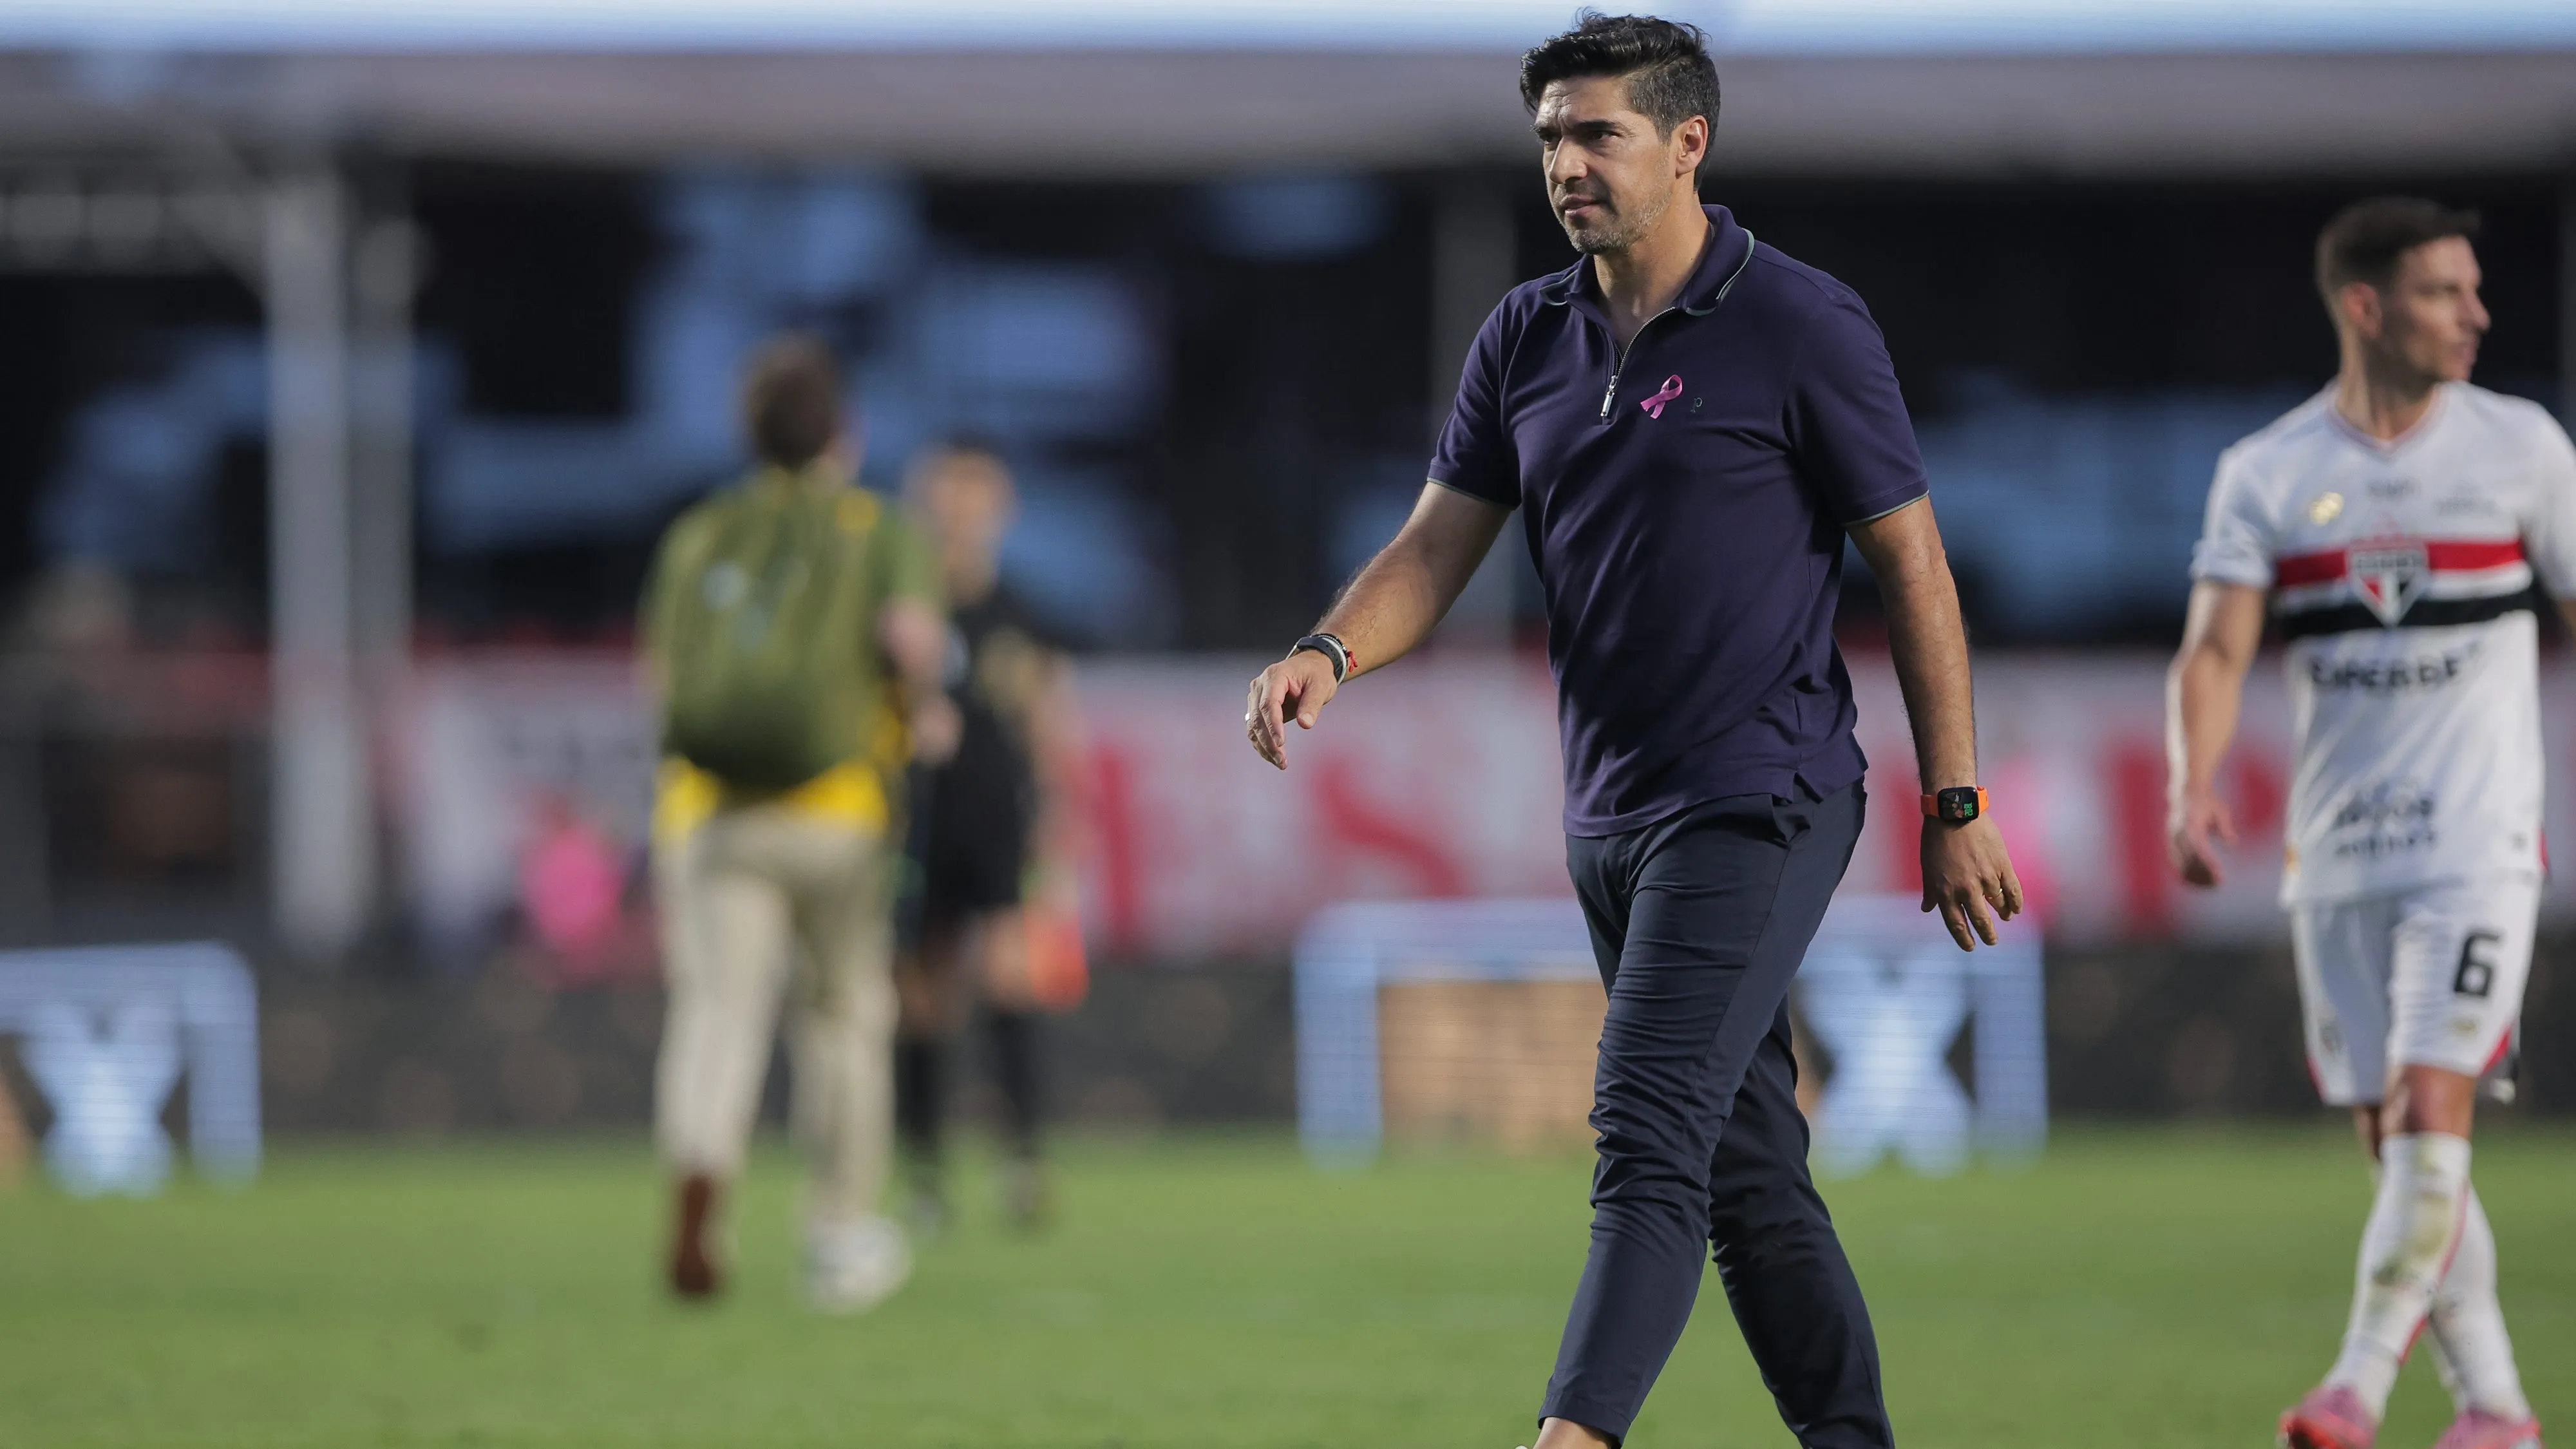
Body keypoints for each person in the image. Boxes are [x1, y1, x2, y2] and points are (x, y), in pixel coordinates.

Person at [1242, 15, 2020, 1448]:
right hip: (1606, 815)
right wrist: (1329, 649)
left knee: (1646, 1135)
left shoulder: (1799, 322)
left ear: (1686, 144)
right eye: (1550, 136)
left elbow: (1911, 564)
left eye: (1597, 133)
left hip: (1761, 793)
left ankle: (1571, 1438)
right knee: (1747, 1178)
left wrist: (1954, 800)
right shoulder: (1522, 334)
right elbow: (1438, 542)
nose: (1566, 164)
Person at [2168, 198, 2562, 1449]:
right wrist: (2191, 780)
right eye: (2444, 292)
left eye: (2472, 289)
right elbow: (2213, 650)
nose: (2475, 315)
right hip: (2336, 855)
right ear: (2364, 307)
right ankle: (2494, 1408)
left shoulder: (2522, 449)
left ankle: (2355, 1387)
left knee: (2429, 1114)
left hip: (2477, 847)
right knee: (2396, 1143)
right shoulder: (2270, 472)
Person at [641, 337, 955, 1312]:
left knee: (716, 1014)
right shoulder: (876, 526)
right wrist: (923, 710)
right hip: (839, 810)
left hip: (711, 809)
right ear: (841, 433)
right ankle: (839, 1232)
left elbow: (659, 676)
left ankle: (703, 1173)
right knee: (844, 1017)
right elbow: (912, 641)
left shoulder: (702, 530)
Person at [892, 438, 1071, 1232]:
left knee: (1010, 979)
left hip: (998, 821)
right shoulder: (902, 612)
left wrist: (1058, 821)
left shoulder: (1018, 611)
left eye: (977, 501)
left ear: (1001, 511)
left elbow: (1047, 718)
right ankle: (925, 1176)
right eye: (949, 501)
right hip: (918, 818)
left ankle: (1022, 1164)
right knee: (921, 998)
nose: (962, 517)